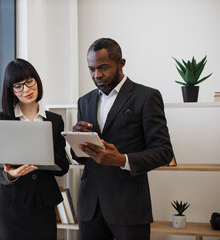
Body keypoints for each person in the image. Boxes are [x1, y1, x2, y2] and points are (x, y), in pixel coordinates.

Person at [72, 38, 174, 240]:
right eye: (91, 69)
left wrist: (122, 160)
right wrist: (76, 143)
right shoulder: (84, 101)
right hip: (90, 206)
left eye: (103, 68)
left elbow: (164, 151)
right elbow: (83, 158)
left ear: (121, 63)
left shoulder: (146, 96)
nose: (97, 75)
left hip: (129, 205)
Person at [0, 58, 70, 240]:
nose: (26, 89)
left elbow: (63, 167)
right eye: (18, 86)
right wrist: (13, 173)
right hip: (9, 209)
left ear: (36, 80)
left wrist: (44, 150)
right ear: (11, 91)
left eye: (29, 81)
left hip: (43, 207)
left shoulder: (54, 120)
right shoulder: (3, 119)